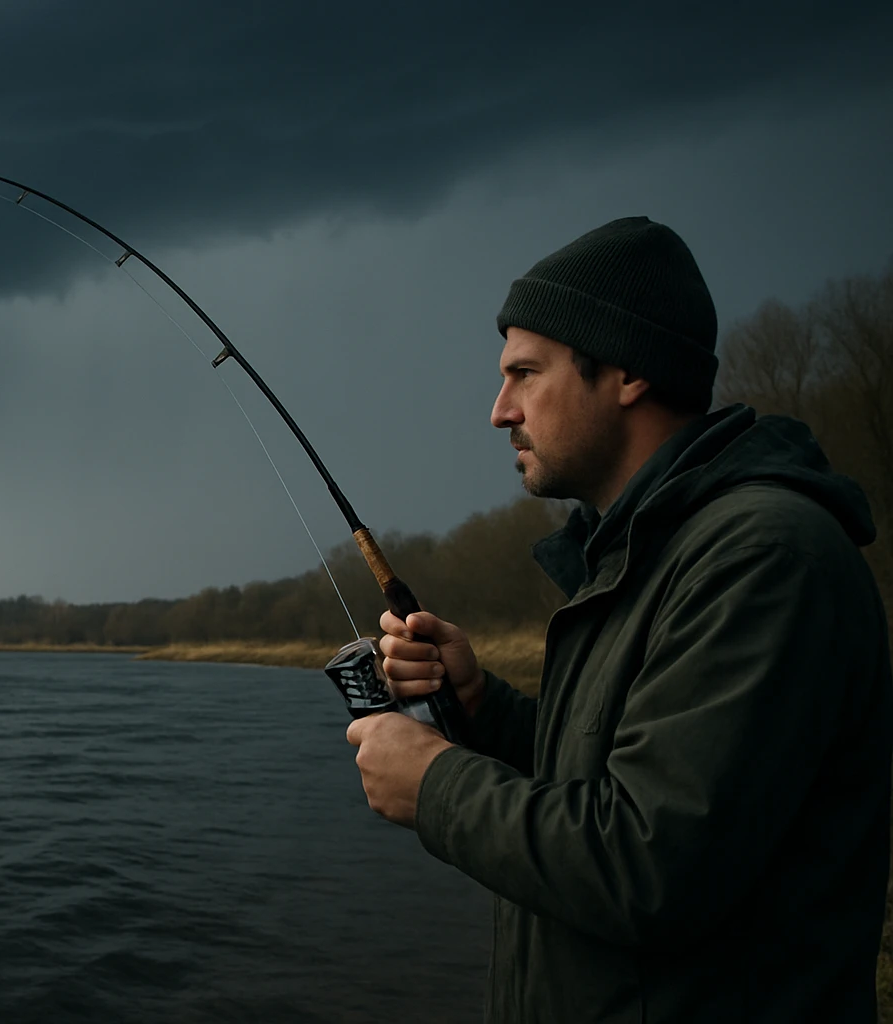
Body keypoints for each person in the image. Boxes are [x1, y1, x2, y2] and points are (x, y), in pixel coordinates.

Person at [345, 216, 893, 1022]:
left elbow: (651, 863)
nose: (500, 412)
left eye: (525, 374)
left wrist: (433, 784)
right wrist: (483, 709)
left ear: (627, 371)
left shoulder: (764, 558)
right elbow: (618, 778)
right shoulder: (640, 558)